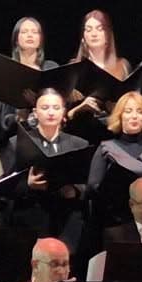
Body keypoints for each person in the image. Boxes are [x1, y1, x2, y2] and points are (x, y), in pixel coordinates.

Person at [8, 89, 89, 248]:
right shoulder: (16, 142)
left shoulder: (79, 144)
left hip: (67, 221)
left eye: (56, 108)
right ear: (35, 112)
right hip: (31, 220)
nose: (51, 112)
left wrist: (75, 190)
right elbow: (6, 186)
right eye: (45, 108)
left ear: (63, 112)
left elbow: (89, 185)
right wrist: (27, 184)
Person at [87, 91, 142, 225]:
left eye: (140, 112)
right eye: (128, 111)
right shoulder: (106, 147)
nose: (134, 116)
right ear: (120, 116)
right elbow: (92, 188)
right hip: (114, 219)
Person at [74, 9, 131, 79]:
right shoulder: (73, 67)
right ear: (83, 37)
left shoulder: (122, 66)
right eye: (88, 30)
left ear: (108, 35)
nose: (94, 34)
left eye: (100, 29)